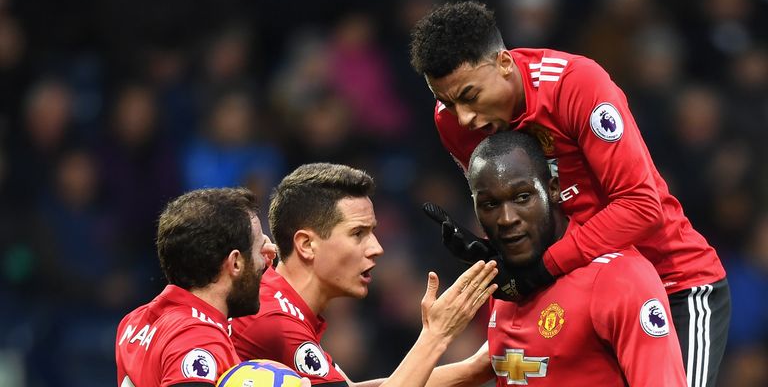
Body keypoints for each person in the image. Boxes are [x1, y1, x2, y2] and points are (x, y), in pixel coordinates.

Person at [409, 1, 729, 387]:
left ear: (505, 64)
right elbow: (513, 202)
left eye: (470, 95)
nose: (463, 118)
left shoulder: (574, 85)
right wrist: (494, 252)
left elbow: (642, 206)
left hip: (670, 281)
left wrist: (543, 267)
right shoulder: (453, 123)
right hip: (575, 289)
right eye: (446, 101)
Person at [426, 130, 687, 386]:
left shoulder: (619, 279)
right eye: (490, 204)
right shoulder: (508, 282)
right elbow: (497, 363)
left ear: (553, 189)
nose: (507, 219)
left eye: (522, 197)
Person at [230, 163, 498, 386]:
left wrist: (476, 367)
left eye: (372, 232)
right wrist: (436, 335)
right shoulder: (274, 318)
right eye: (358, 233)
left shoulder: (281, 303)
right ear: (306, 245)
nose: (377, 248)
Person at [115, 188, 280, 387]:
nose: (266, 259)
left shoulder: (136, 320)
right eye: (259, 249)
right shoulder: (198, 336)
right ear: (235, 262)